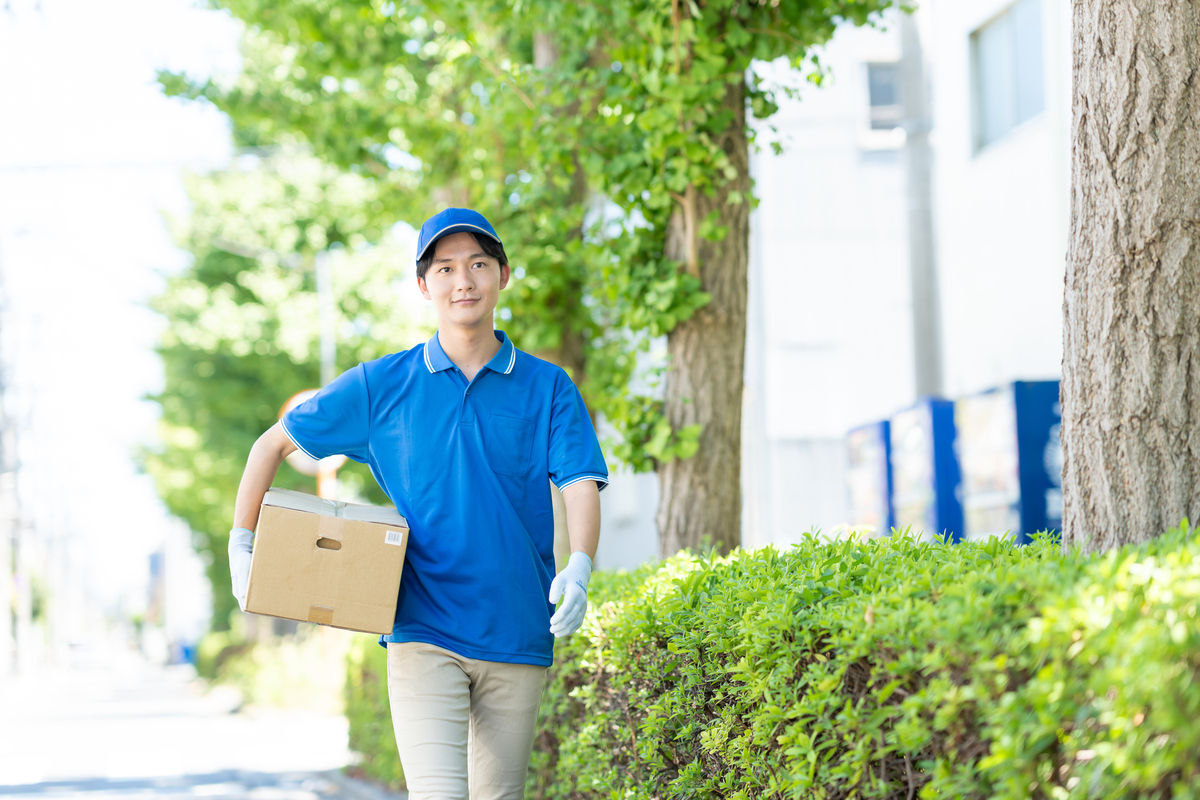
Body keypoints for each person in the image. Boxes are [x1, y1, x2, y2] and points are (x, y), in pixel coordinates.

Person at [226, 207, 608, 799]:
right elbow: (271, 443)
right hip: (421, 629)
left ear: (502, 276)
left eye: (479, 264)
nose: (465, 281)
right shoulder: (384, 385)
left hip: (517, 630)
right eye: (447, 267)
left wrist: (580, 563)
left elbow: (579, 481)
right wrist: (243, 542)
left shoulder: (548, 386)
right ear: (424, 285)